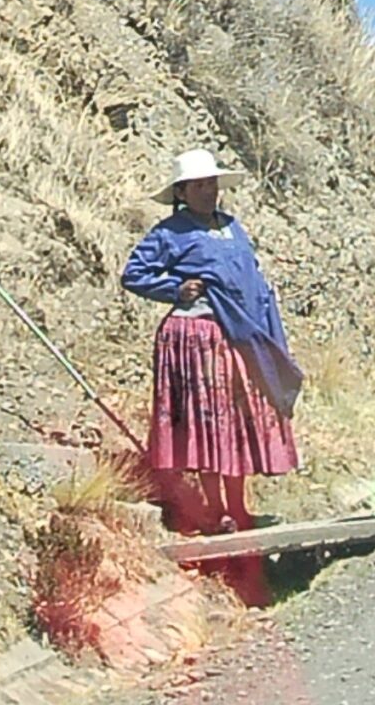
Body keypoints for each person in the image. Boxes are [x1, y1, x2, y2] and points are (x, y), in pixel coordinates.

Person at [120, 148, 303, 537]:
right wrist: (175, 288)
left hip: (239, 337)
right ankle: (217, 509)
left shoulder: (233, 227)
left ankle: (239, 506)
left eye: (211, 184)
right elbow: (134, 274)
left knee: (235, 421)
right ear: (182, 192)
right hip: (197, 338)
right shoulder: (169, 233)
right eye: (198, 186)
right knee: (207, 423)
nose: (207, 191)